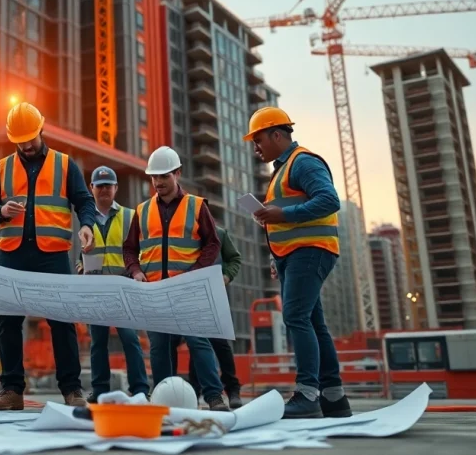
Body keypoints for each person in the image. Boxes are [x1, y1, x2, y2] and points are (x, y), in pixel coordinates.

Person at [0, 102, 96, 410]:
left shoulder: (65, 164)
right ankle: (12, 390)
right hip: (12, 254)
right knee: (9, 322)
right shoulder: (2, 168)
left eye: (30, 138)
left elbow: (84, 201)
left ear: (41, 130)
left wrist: (86, 225)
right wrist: (0, 211)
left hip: (53, 255)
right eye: (20, 141)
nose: (26, 145)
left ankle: (71, 389)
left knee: (62, 321)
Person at [245, 106, 351, 419]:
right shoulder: (281, 171)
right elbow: (284, 218)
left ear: (277, 135)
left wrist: (282, 214)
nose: (256, 147)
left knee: (295, 316)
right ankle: (333, 397)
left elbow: (329, 200)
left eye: (259, 139)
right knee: (313, 322)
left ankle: (307, 395)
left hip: (310, 250)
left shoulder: (303, 162)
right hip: (294, 254)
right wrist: (276, 255)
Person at [123, 146, 230, 412]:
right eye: (154, 177)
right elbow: (129, 249)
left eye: (164, 176)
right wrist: (136, 271)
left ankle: (214, 397)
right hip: (155, 291)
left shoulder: (196, 205)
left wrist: (195, 273)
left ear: (177, 174)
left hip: (187, 290)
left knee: (198, 342)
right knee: (159, 347)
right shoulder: (142, 210)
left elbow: (213, 244)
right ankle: (163, 400)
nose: (158, 182)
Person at [75, 166, 150, 402]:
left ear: (116, 188)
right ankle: (100, 390)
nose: (104, 189)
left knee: (130, 339)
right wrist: (81, 268)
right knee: (98, 342)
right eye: (100, 186)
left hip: (123, 287)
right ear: (92, 188)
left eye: (108, 185)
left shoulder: (130, 216)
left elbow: (140, 250)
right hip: (97, 290)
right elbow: (80, 257)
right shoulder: (86, 221)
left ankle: (140, 389)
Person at [170, 225, 244, 408]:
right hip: (186, 295)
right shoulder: (180, 233)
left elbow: (234, 259)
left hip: (214, 294)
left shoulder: (219, 233)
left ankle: (232, 390)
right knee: (194, 342)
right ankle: (194, 392)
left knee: (219, 343)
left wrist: (227, 276)